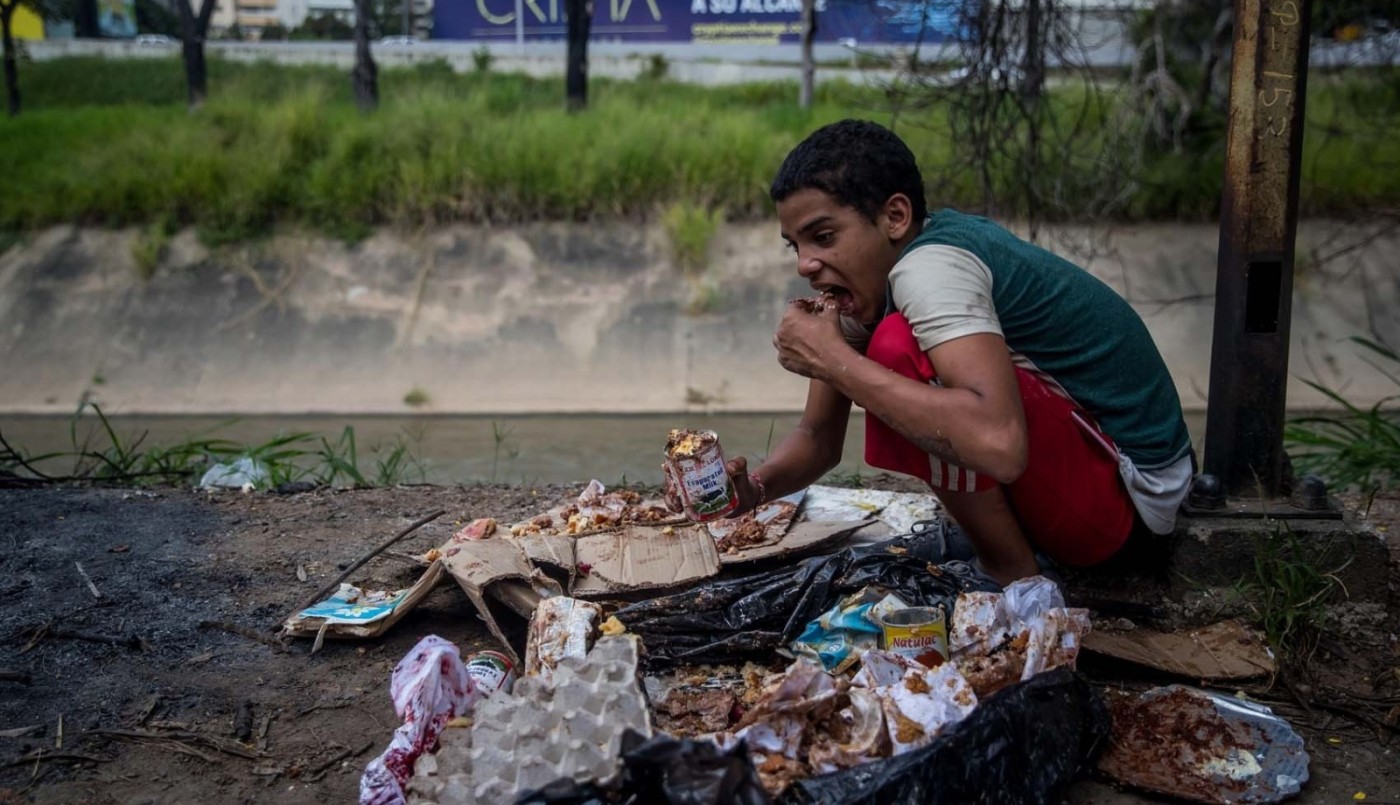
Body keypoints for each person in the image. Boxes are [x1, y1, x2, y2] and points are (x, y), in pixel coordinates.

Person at [719, 118, 1195, 586]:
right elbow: (817, 438)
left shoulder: (931, 269)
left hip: (1129, 510)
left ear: (895, 217)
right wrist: (753, 491)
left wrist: (834, 360)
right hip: (1086, 486)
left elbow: (1000, 446)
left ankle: (1007, 569)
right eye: (794, 245)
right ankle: (1006, 548)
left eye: (824, 238)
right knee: (881, 348)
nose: (806, 264)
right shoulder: (868, 285)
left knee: (893, 347)